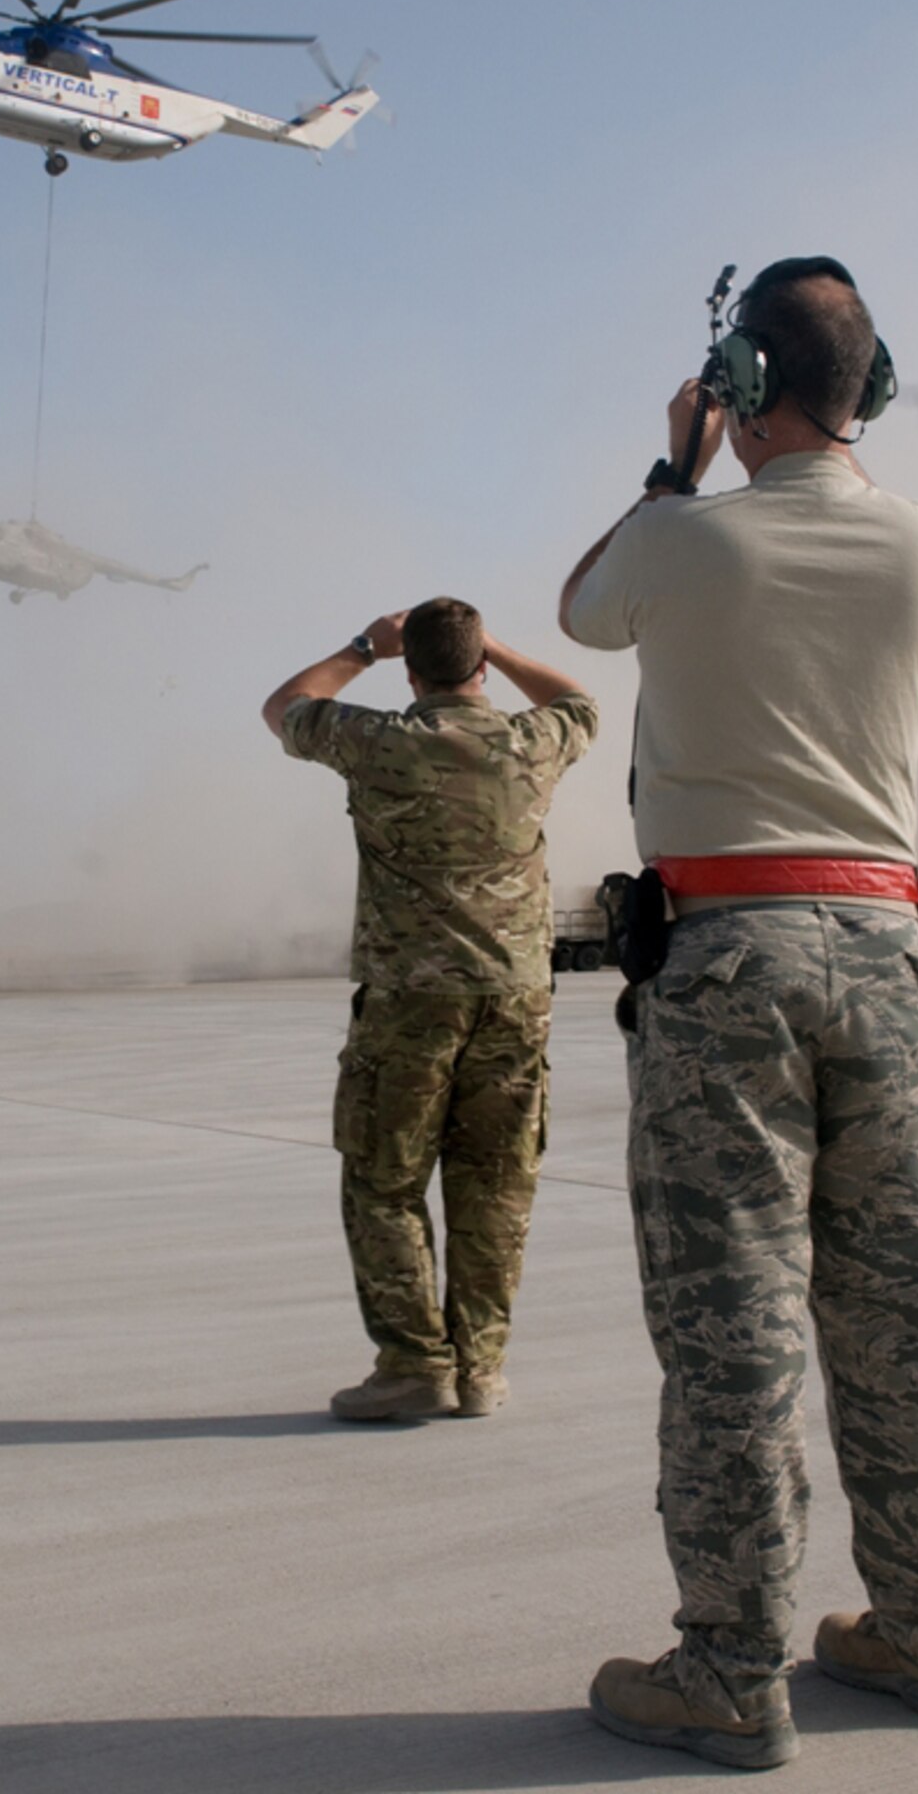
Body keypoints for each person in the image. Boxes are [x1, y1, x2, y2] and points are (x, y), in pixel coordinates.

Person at [559, 258, 918, 1770]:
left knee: (735, 1334)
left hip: (730, 960)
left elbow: (582, 607)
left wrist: (672, 467)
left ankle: (731, 1671)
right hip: (891, 960)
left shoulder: (680, 543)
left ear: (743, 390)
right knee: (904, 1322)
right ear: (870, 388)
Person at [262, 598, 597, 1420]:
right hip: (515, 999)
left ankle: (414, 1365)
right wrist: (500, 650)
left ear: (410, 669)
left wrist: (360, 649)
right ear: (479, 665)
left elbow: (283, 708)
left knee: (384, 1182)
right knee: (496, 1184)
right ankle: (481, 1369)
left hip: (411, 999)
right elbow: (579, 703)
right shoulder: (529, 742)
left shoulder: (381, 742)